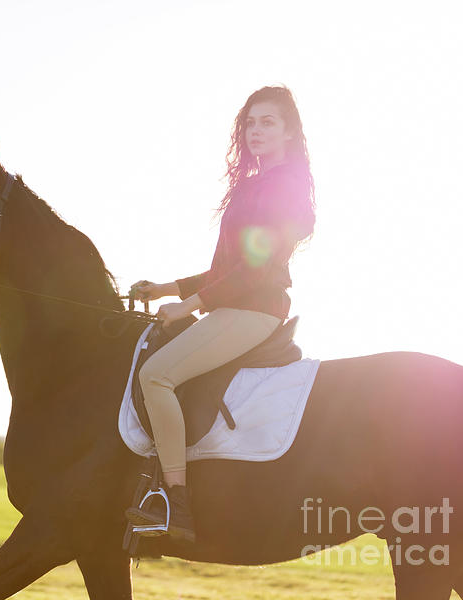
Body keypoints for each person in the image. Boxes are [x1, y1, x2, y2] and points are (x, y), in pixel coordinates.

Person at [125, 85, 317, 542]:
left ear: (289, 132)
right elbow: (225, 268)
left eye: (267, 122)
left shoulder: (285, 186)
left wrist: (188, 306)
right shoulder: (254, 185)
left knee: (156, 376)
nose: (255, 131)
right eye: (250, 122)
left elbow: (256, 266)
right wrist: (167, 288)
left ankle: (175, 504)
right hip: (233, 304)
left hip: (254, 310)